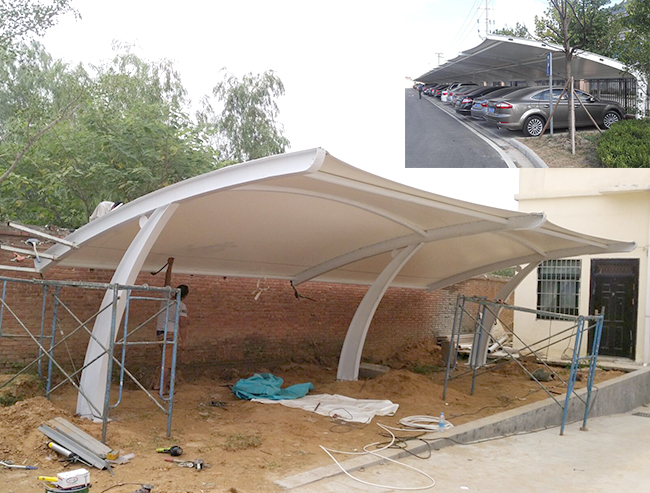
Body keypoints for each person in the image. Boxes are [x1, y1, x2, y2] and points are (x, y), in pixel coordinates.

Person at [155, 284, 190, 395]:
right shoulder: (181, 305)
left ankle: (158, 384)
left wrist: (168, 271)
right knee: (167, 363)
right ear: (185, 296)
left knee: (163, 359)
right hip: (170, 333)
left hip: (159, 333)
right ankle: (163, 389)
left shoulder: (165, 299)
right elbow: (182, 324)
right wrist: (184, 341)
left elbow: (166, 283)